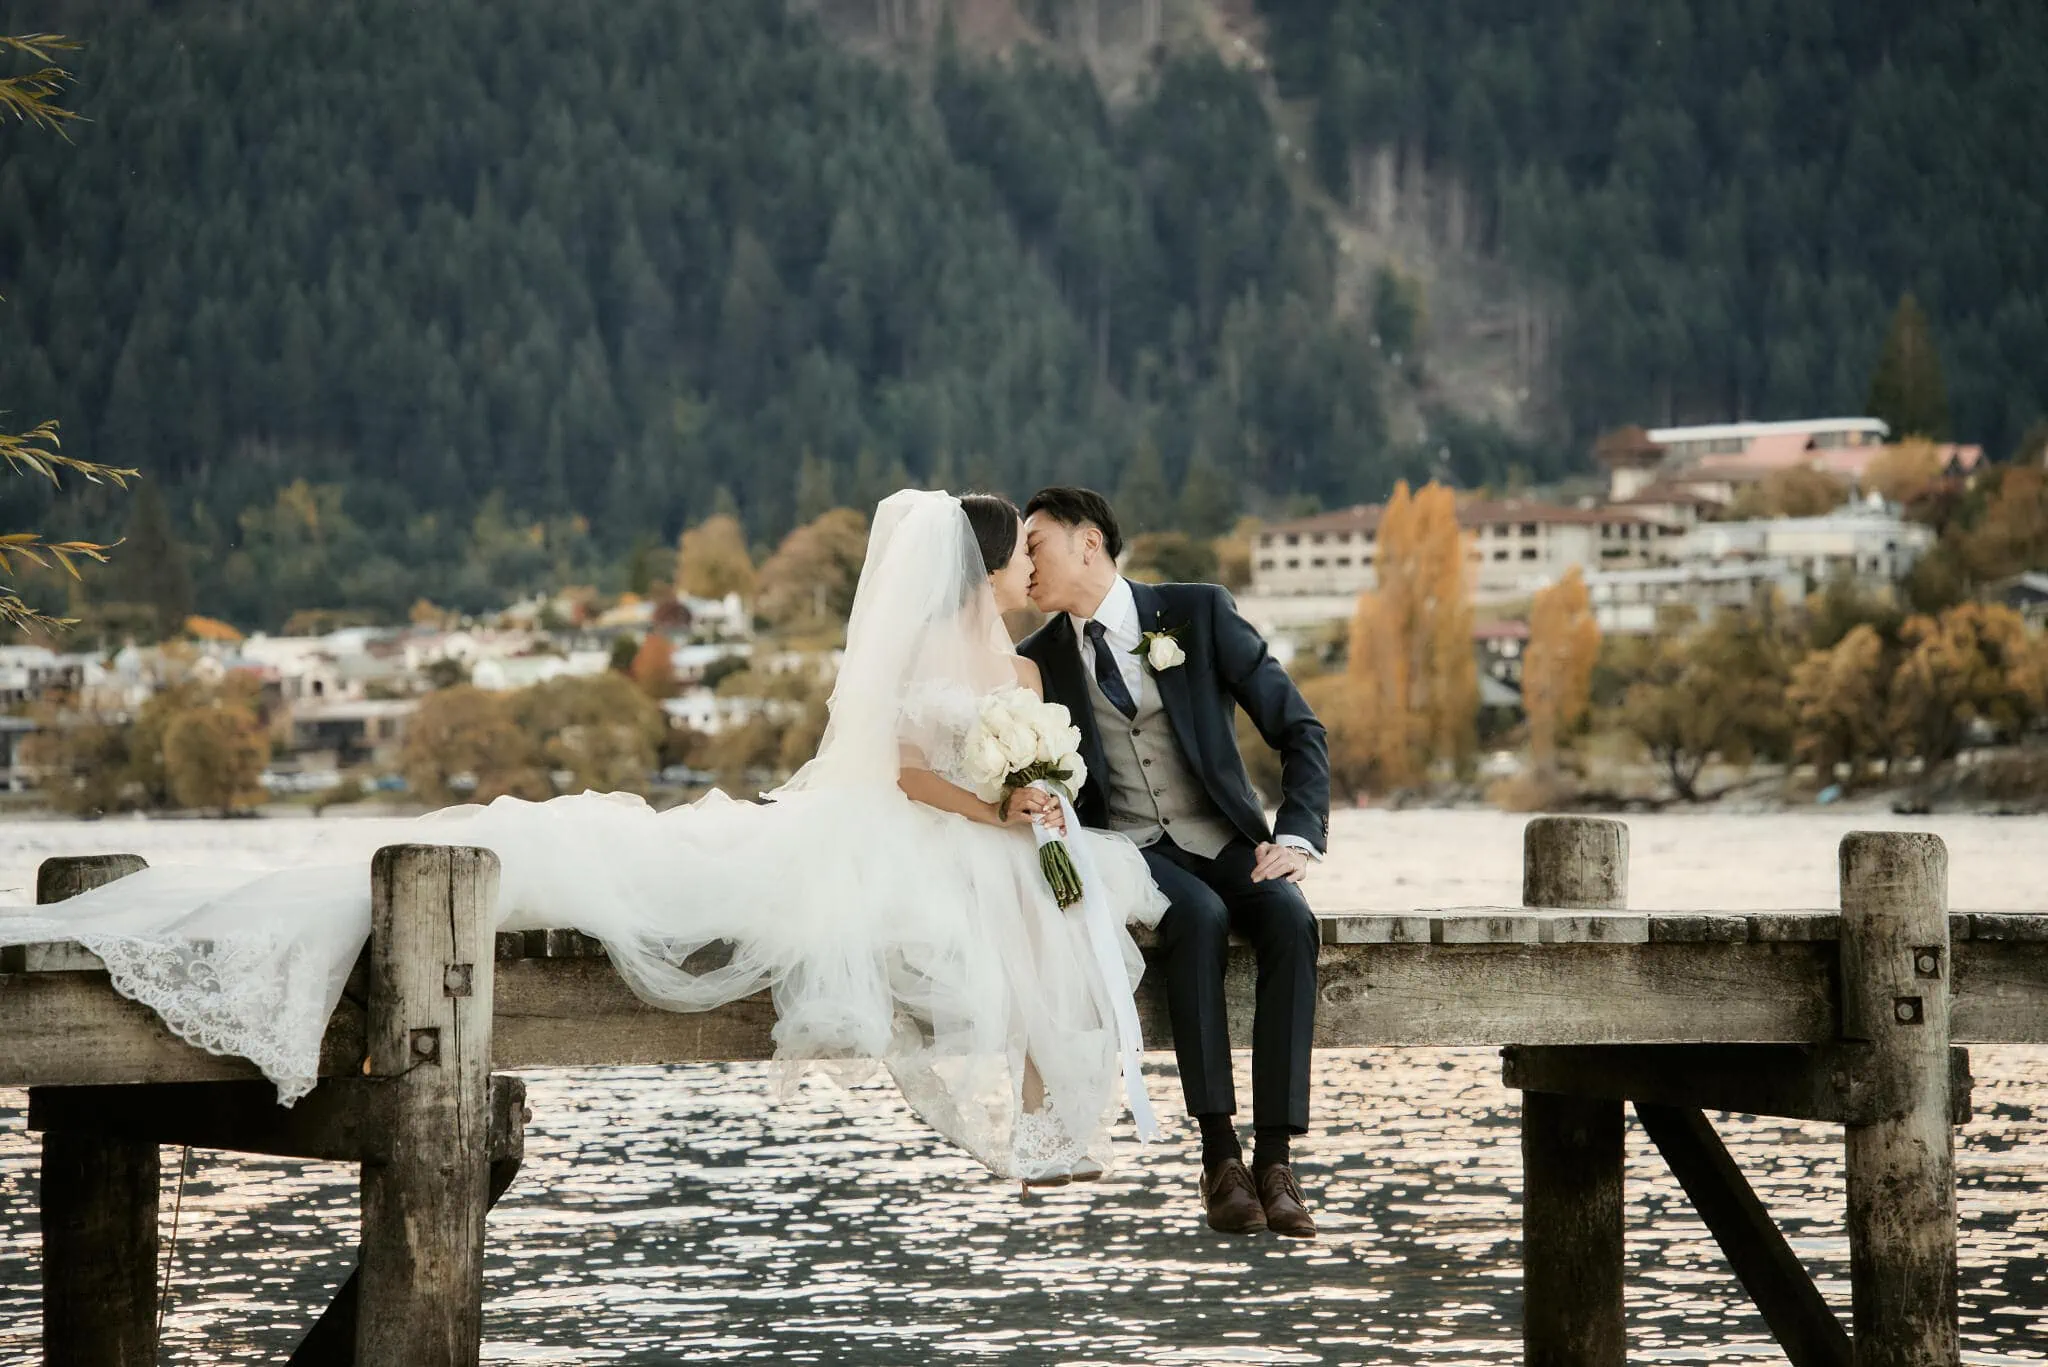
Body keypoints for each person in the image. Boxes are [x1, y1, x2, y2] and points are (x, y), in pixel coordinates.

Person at [0, 490, 1167, 1186]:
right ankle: (1051, 1114)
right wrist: (1001, 802)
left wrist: (1033, 797)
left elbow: (1023, 763)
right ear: (977, 562)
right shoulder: (929, 655)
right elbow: (908, 772)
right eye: (1015, 549)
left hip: (984, 838)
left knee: (1065, 895)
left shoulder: (1013, 661)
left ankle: (1056, 1116)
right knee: (675, 876)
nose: (1027, 562)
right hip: (906, 830)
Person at [1017, 487, 1330, 1238]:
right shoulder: (1037, 661)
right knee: (1198, 915)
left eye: (1035, 545)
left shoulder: (1199, 610)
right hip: (1125, 848)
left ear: (1088, 542)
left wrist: (1298, 834)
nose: (1022, 563)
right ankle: (1221, 1158)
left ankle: (1278, 1162)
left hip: (1221, 835)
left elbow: (1299, 727)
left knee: (1289, 917)